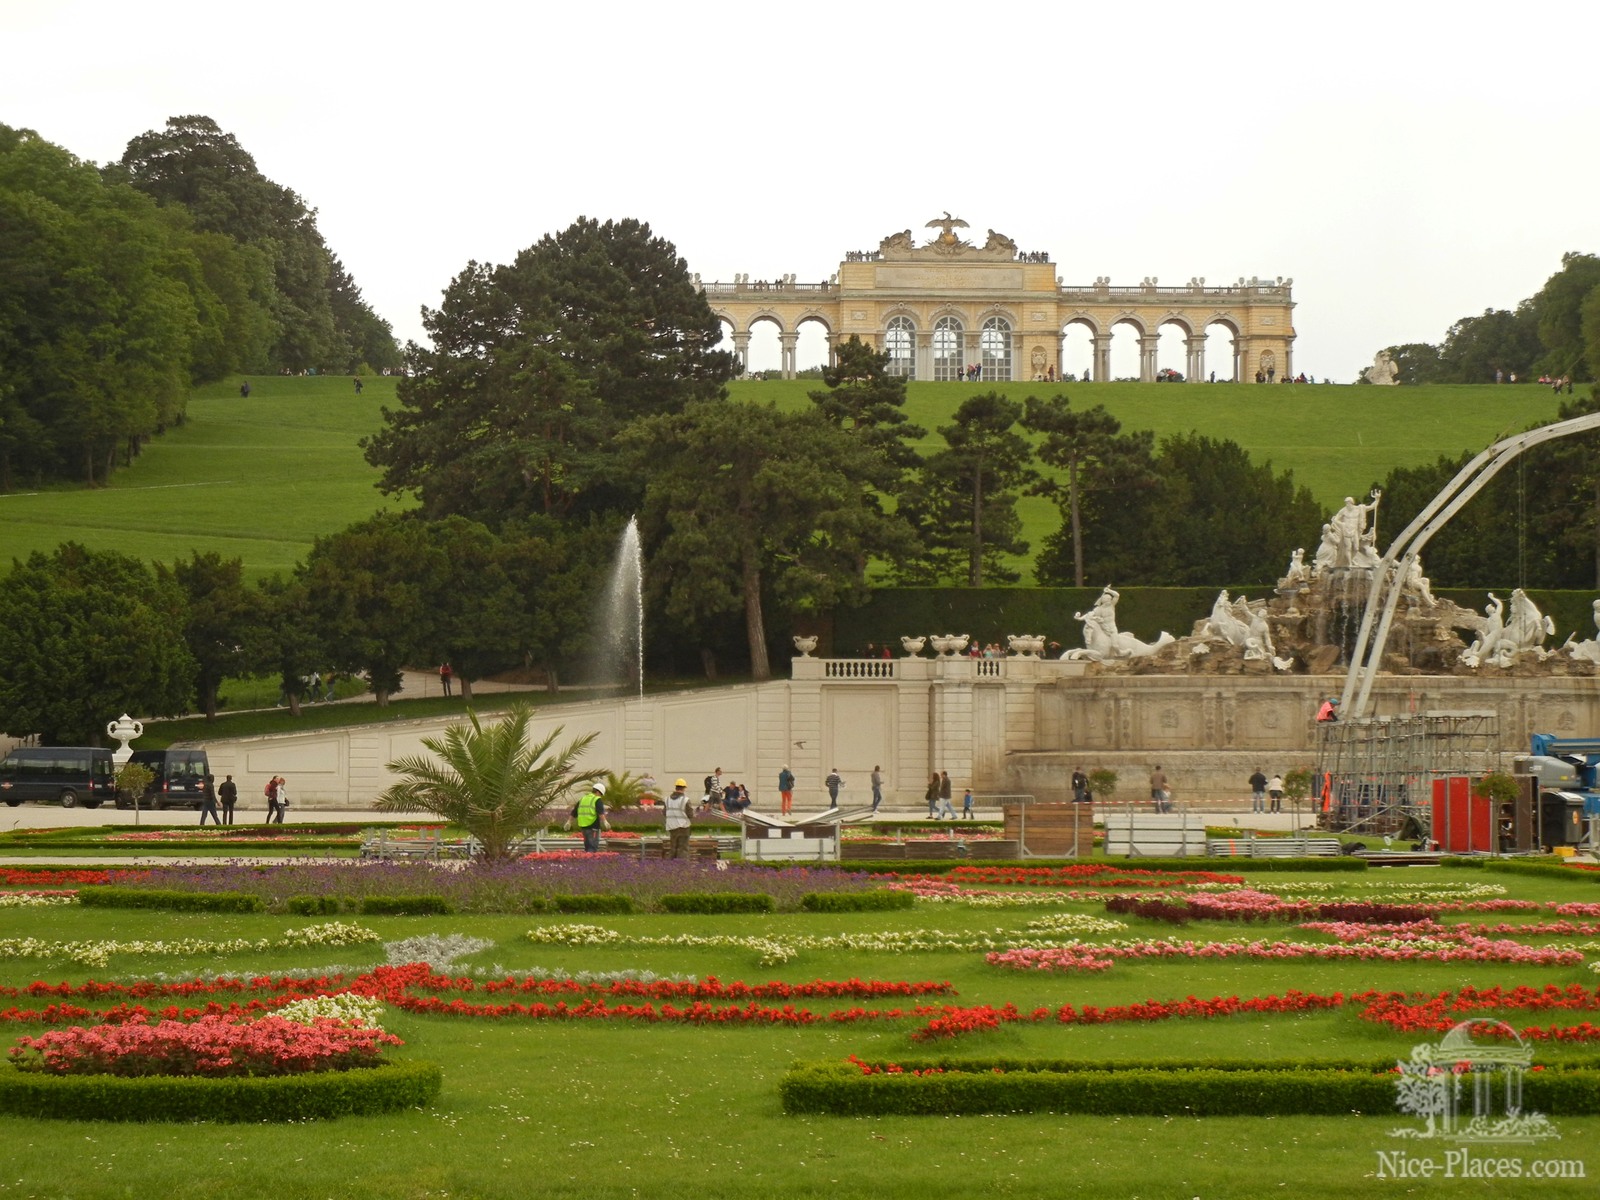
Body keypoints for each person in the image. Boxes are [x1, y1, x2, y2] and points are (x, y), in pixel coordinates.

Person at [570, 780, 610, 852]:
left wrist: (569, 822)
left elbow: (574, 811)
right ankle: (591, 857)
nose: (600, 796)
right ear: (598, 792)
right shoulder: (597, 799)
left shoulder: (583, 799)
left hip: (583, 825)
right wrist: (605, 821)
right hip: (593, 826)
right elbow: (600, 812)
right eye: (601, 794)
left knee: (587, 845)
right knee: (592, 847)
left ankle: (587, 857)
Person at [663, 779, 693, 859]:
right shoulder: (685, 800)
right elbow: (690, 814)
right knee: (683, 849)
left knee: (673, 848)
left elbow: (664, 812)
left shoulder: (667, 799)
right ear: (684, 788)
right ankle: (681, 864)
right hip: (683, 827)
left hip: (671, 827)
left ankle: (672, 864)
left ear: (676, 787)